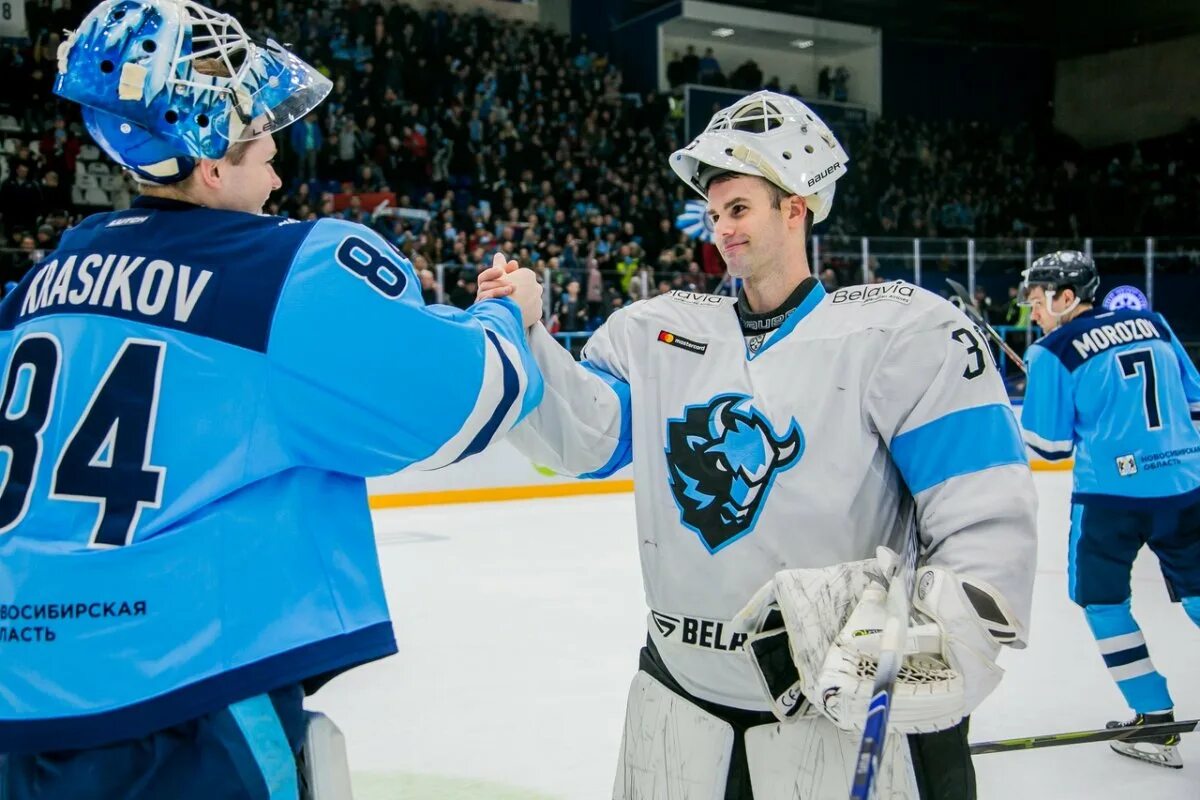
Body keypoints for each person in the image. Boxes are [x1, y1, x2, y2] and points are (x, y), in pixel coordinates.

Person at [0, 1, 544, 798]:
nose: (280, 172)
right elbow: (463, 400)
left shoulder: (37, 289)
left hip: (21, 706)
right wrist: (510, 311)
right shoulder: (280, 274)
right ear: (213, 165)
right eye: (265, 148)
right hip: (182, 707)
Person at [478, 90, 1037, 798]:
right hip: (683, 702)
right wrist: (525, 332)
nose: (722, 230)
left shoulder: (901, 334)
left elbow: (982, 508)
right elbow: (584, 441)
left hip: (837, 710)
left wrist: (935, 646)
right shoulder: (655, 335)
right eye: (714, 214)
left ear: (795, 207)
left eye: (739, 208)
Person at [1019, 251, 1200, 769]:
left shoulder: (1051, 352)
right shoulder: (1154, 322)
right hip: (1186, 485)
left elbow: (1049, 448)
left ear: (1066, 298)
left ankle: (1155, 721)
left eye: (1037, 301)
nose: (1033, 312)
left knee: (1102, 602)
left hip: (1111, 501)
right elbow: (1193, 402)